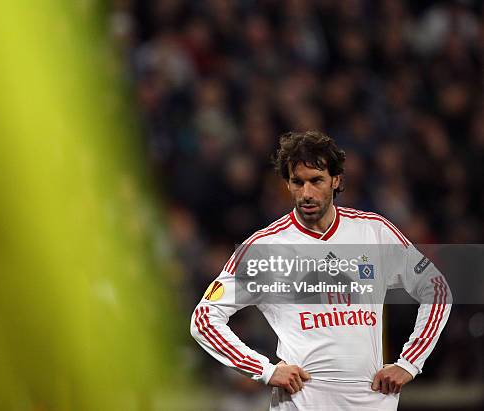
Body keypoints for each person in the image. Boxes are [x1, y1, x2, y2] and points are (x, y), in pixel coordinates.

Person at [190, 131, 452, 410]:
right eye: (297, 182)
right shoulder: (265, 247)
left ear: (336, 180)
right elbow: (204, 319)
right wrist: (264, 369)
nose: (306, 193)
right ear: (287, 184)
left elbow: (436, 288)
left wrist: (410, 362)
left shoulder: (373, 232)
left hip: (370, 401)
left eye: (316, 181)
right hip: (302, 403)